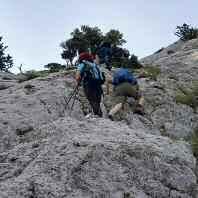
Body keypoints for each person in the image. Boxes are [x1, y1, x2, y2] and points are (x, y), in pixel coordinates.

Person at [76, 52, 105, 117]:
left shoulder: (83, 64)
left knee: (92, 100)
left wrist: (78, 82)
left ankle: (97, 116)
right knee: (97, 101)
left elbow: (77, 76)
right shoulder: (94, 65)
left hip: (89, 84)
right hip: (98, 84)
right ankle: (99, 115)